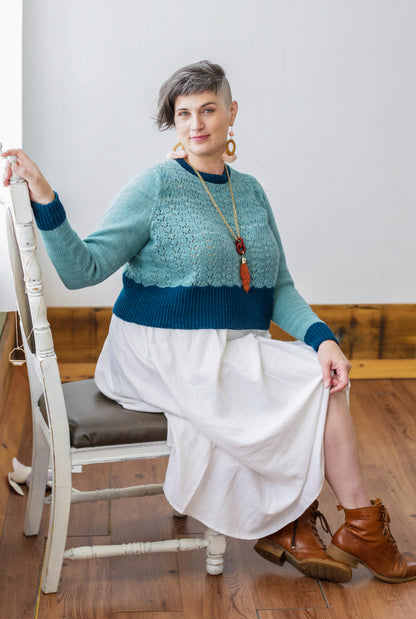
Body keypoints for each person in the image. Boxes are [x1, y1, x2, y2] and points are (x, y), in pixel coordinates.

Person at [2, 60, 415, 584]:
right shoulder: (155, 187)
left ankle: (317, 524)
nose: (196, 124)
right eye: (183, 114)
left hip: (225, 347)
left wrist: (324, 339)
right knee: (311, 387)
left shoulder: (252, 192)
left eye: (207, 110)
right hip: (157, 351)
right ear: (174, 123)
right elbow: (82, 270)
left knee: (322, 373)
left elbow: (279, 287)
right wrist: (45, 197)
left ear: (230, 113)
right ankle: (335, 526)